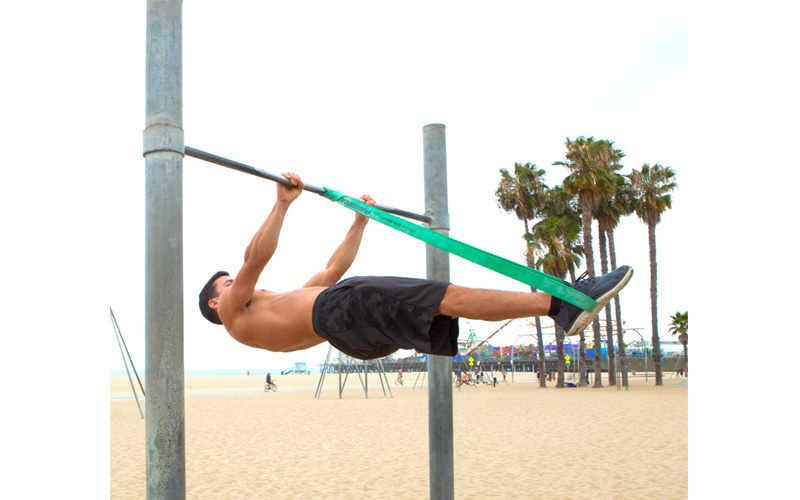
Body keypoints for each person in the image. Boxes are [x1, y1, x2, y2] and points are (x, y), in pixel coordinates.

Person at [198, 172, 633, 361]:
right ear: (217, 303)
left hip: (353, 333)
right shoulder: (236, 314)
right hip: (342, 313)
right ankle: (559, 305)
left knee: (441, 303)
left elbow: (331, 271)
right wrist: (280, 204)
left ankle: (557, 305)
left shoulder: (273, 306)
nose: (237, 285)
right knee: (441, 296)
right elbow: (255, 258)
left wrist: (359, 223)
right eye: (228, 284)